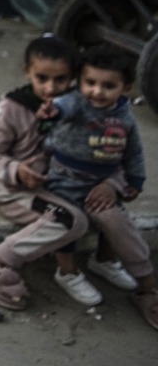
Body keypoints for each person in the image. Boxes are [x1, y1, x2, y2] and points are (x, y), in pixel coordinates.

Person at [0, 35, 127, 309]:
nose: (51, 87)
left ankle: (103, 260)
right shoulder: (11, 108)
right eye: (42, 78)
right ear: (27, 71)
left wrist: (112, 183)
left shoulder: (85, 109)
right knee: (72, 220)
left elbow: (110, 152)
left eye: (61, 80)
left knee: (110, 208)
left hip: (69, 185)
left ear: (73, 77)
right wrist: (17, 171)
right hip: (20, 192)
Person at [36, 44, 158, 329]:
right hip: (64, 181)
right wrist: (51, 112)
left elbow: (134, 153)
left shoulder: (125, 115)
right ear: (81, 82)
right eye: (90, 83)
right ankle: (66, 272)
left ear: (126, 88)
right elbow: (62, 109)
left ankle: (111, 264)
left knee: (114, 220)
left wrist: (134, 181)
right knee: (68, 221)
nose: (97, 92)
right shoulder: (76, 103)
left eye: (108, 86)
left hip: (103, 183)